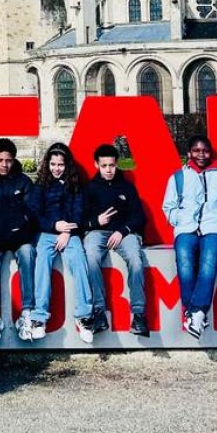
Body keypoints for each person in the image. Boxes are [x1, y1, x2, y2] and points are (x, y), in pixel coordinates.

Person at [162, 134, 217, 339]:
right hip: (186, 227)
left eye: (205, 150)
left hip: (215, 227)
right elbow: (168, 207)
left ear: (210, 152)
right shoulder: (178, 177)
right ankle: (194, 313)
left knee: (208, 258)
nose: (201, 154)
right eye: (196, 151)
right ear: (189, 153)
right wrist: (179, 219)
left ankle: (195, 311)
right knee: (184, 258)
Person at [26, 143, 93, 343]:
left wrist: (67, 231)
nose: (56, 168)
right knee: (42, 263)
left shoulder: (75, 185)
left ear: (67, 165)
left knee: (79, 261)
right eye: (53, 164)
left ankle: (84, 317)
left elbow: (78, 212)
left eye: (60, 164)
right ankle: (39, 318)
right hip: (47, 232)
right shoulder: (40, 186)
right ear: (48, 164)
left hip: (70, 233)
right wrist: (55, 226)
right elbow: (35, 214)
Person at [82, 143, 149, 337]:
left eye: (111, 165)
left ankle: (139, 315)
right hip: (97, 232)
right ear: (97, 165)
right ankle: (99, 312)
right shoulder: (90, 188)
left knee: (136, 260)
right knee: (91, 257)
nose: (109, 170)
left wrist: (122, 230)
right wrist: (97, 221)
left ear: (117, 164)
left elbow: (140, 217)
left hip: (124, 233)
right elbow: (80, 220)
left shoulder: (126, 187)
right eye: (104, 166)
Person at [0, 138, 37, 342]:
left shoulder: (23, 181)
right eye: (0, 160)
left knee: (28, 253)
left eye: (9, 160)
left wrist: (21, 230)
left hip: (19, 237)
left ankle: (28, 313)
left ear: (14, 160)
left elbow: (32, 211)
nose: (4, 164)